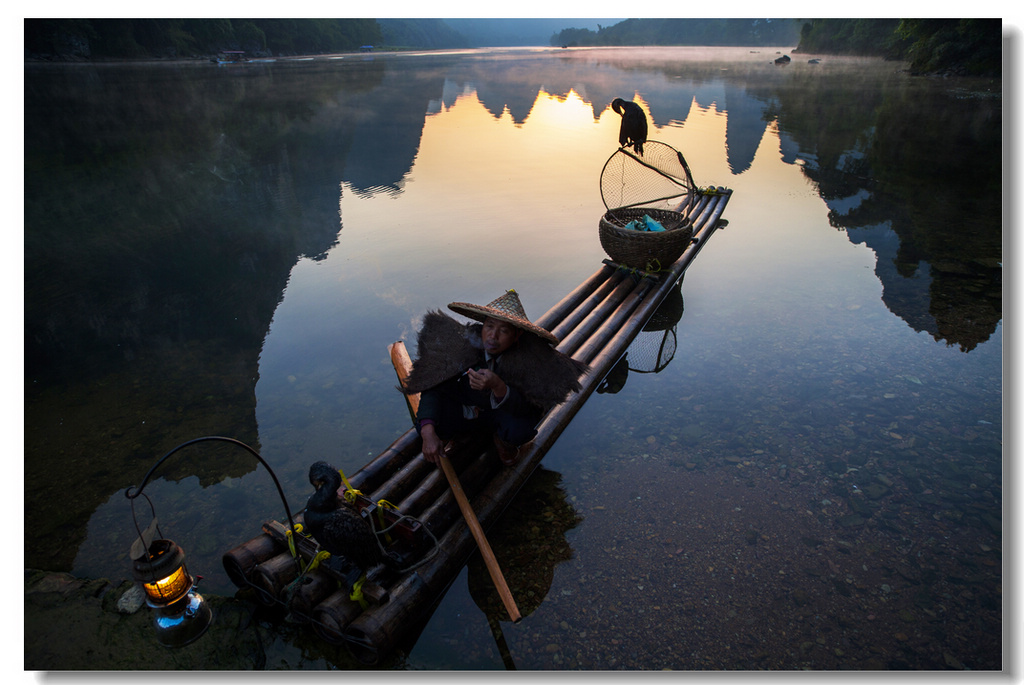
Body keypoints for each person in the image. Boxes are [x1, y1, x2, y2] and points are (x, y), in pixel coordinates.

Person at [401, 289, 589, 467]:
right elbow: (433, 386)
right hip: (468, 410)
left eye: (504, 331)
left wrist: (499, 387)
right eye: (489, 326)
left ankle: (502, 439)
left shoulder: (528, 360)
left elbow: (530, 408)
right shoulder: (463, 346)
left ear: (517, 335)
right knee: (427, 423)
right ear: (482, 326)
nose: (493, 336)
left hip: (500, 414)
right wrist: (427, 432)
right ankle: (456, 435)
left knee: (521, 430)